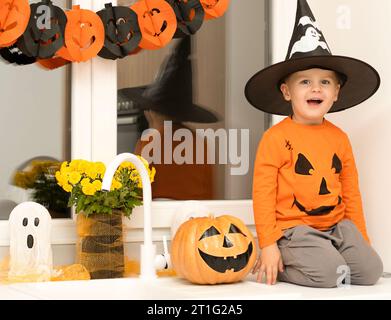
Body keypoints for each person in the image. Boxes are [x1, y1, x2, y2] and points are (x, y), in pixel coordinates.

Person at [245, 0, 383, 288]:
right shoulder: (275, 138)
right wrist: (268, 242)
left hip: (338, 227)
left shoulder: (339, 138)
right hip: (295, 230)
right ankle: (282, 263)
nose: (316, 88)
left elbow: (351, 193)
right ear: (287, 92)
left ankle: (330, 257)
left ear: (336, 93)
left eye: (325, 82)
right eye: (305, 82)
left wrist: (361, 240)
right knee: (332, 274)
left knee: (370, 271)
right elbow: (263, 193)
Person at [118, 36, 220, 200]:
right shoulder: (199, 142)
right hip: (196, 219)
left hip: (158, 222)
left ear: (152, 112)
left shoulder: (150, 142)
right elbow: (209, 194)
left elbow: (134, 195)